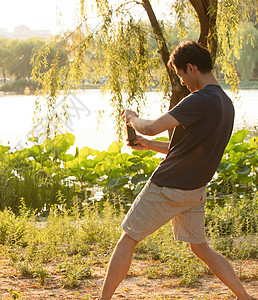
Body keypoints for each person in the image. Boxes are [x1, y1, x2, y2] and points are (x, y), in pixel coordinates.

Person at [99, 41, 254, 300]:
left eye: (181, 74)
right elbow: (188, 148)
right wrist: (148, 146)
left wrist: (132, 117)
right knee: (200, 247)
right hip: (195, 190)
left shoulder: (199, 99)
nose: (182, 81)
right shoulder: (225, 103)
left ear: (191, 68)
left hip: (167, 186)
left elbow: (148, 126)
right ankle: (244, 297)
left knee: (128, 238)